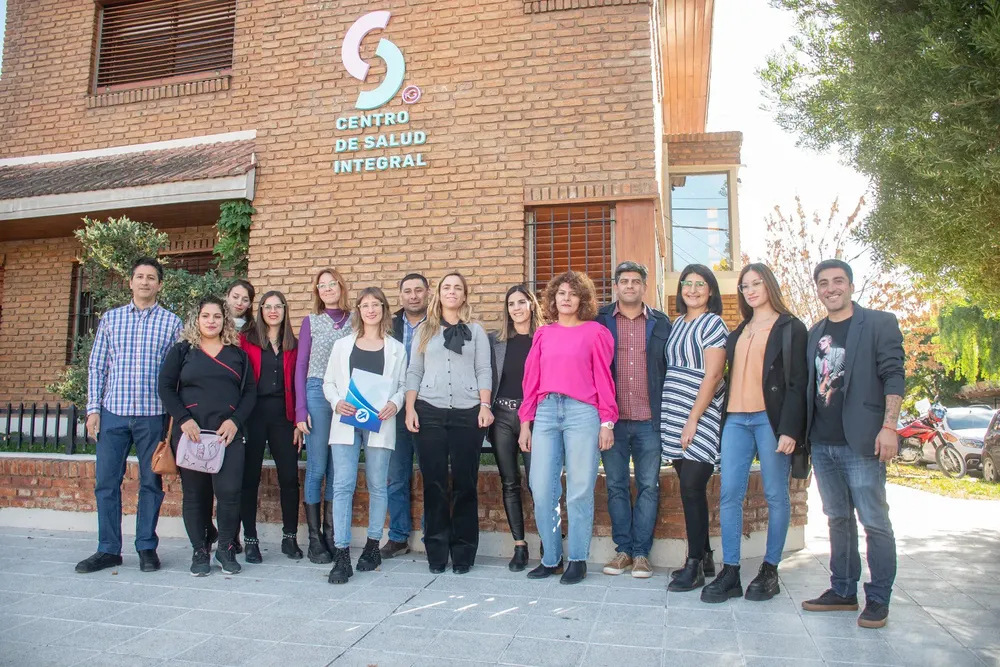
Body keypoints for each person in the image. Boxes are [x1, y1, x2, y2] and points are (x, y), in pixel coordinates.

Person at [801, 259, 903, 629]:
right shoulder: (815, 332)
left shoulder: (879, 323)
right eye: (823, 283)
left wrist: (889, 427)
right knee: (837, 519)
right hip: (822, 442)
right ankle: (843, 590)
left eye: (838, 281)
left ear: (851, 285)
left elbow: (893, 375)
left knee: (874, 521)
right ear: (818, 289)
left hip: (862, 442)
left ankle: (877, 598)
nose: (831, 288)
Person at [701, 263, 808, 603]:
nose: (749, 291)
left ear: (769, 285)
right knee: (729, 494)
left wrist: (790, 429)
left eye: (756, 283)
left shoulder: (791, 327)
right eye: (744, 286)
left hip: (769, 421)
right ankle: (730, 571)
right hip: (736, 419)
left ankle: (770, 569)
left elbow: (798, 383)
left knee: (776, 495)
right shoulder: (739, 331)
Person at [77, 257, 182, 574]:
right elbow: (97, 367)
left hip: (153, 415)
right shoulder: (111, 319)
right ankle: (108, 549)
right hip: (114, 414)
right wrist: (93, 410)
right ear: (131, 282)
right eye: (140, 276)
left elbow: (177, 373)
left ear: (159, 284)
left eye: (151, 277)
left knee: (151, 483)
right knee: (106, 483)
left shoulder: (172, 323)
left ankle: (146, 548)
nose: (145, 282)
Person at [519, 271, 616, 585]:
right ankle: (550, 559)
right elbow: (531, 380)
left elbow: (604, 378)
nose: (566, 298)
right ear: (553, 298)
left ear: (582, 299)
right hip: (546, 412)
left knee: (580, 489)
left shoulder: (596, 333)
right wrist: (525, 422)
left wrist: (607, 421)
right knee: (541, 487)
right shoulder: (543, 334)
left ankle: (577, 559)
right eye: (561, 293)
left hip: (582, 412)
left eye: (573, 293)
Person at [158, 296, 257, 576]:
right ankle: (200, 550)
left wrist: (235, 421)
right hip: (192, 435)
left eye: (217, 316)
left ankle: (225, 548)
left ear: (225, 320)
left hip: (227, 436)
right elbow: (165, 387)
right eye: (205, 316)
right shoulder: (182, 351)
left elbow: (250, 392)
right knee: (195, 495)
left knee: (229, 493)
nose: (211, 321)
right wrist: (183, 419)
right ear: (197, 319)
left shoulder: (238, 355)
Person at [405, 272, 493, 574]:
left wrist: (485, 405)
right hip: (429, 410)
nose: (452, 291)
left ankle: (464, 551)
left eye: (457, 288)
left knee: (465, 483)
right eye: (446, 287)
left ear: (464, 295)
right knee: (434, 483)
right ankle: (437, 552)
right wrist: (410, 408)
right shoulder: (424, 329)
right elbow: (414, 370)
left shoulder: (476, 331)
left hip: (468, 412)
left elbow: (484, 369)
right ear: (438, 294)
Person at [323, 287, 407, 584]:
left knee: (377, 485)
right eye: (365, 305)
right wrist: (336, 402)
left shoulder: (396, 349)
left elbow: (403, 385)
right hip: (346, 421)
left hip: (380, 421)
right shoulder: (342, 345)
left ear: (384, 309)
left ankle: (372, 546)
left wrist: (394, 403)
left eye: (376, 305)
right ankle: (342, 553)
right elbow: (329, 383)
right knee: (342, 486)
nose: (371, 310)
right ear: (358, 310)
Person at [596, 261, 671, 579]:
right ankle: (623, 551)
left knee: (648, 486)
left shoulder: (661, 322)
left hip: (648, 420)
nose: (630, 286)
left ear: (644, 286)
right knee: (615, 485)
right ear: (616, 286)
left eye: (636, 281)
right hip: (611, 421)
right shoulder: (600, 320)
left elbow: (668, 367)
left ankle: (641, 554)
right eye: (624, 281)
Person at [661, 264, 729, 593]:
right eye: (687, 283)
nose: (692, 289)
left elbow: (714, 375)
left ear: (711, 290)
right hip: (673, 412)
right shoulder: (676, 324)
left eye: (700, 284)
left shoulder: (713, 323)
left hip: (699, 414)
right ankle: (706, 557)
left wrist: (693, 419)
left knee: (691, 486)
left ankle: (694, 565)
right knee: (690, 488)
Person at [238, 291, 304, 563]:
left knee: (289, 477)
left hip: (284, 417)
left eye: (278, 306)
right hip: (252, 416)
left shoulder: (293, 344)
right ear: (261, 310)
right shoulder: (246, 340)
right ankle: (250, 540)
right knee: (249, 478)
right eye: (268, 306)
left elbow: (299, 384)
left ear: (285, 310)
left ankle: (289, 537)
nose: (273, 311)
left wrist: (299, 422)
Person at [294, 268, 353, 564]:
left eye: (332, 284)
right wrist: (300, 409)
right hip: (317, 391)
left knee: (336, 467)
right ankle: (315, 539)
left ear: (341, 287)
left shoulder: (355, 320)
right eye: (322, 285)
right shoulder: (311, 321)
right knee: (317, 466)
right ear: (317, 291)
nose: (328, 289)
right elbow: (301, 364)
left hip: (346, 396)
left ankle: (332, 533)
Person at [488, 284, 545, 571]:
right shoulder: (496, 341)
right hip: (501, 416)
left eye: (522, 302)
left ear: (532, 304)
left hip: (535, 417)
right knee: (509, 482)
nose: (516, 308)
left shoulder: (544, 338)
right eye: (511, 304)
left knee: (539, 483)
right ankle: (520, 545)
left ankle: (548, 541)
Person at [382, 273, 429, 560]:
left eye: (418, 290)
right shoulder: (389, 325)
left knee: (431, 475)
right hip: (396, 408)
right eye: (408, 291)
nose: (413, 296)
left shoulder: (438, 323)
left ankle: (430, 535)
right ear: (400, 295)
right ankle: (398, 537)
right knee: (396, 476)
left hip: (429, 406)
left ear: (428, 293)